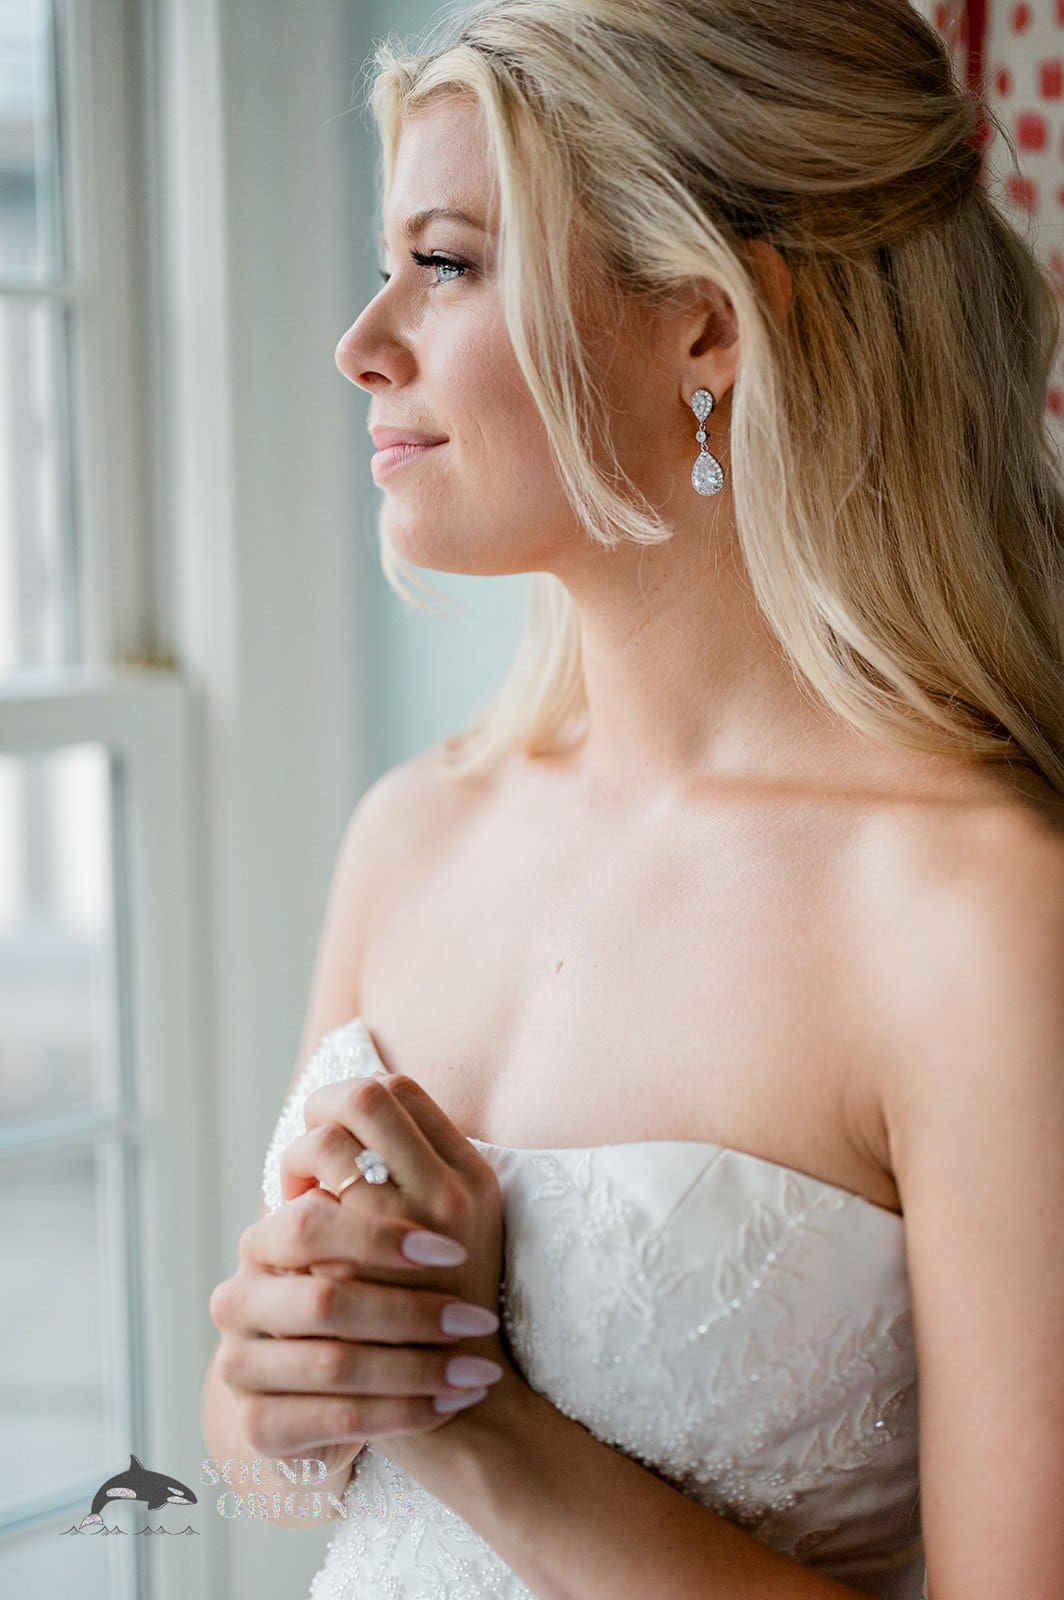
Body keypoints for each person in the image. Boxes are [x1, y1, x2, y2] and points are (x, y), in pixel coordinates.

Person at [202, 2, 1064, 1596]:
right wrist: (277, 1386)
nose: (362, 341)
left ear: (706, 327)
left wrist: (474, 1414)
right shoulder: (410, 832)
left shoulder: (977, 913)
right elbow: (278, 1484)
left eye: (446, 263)